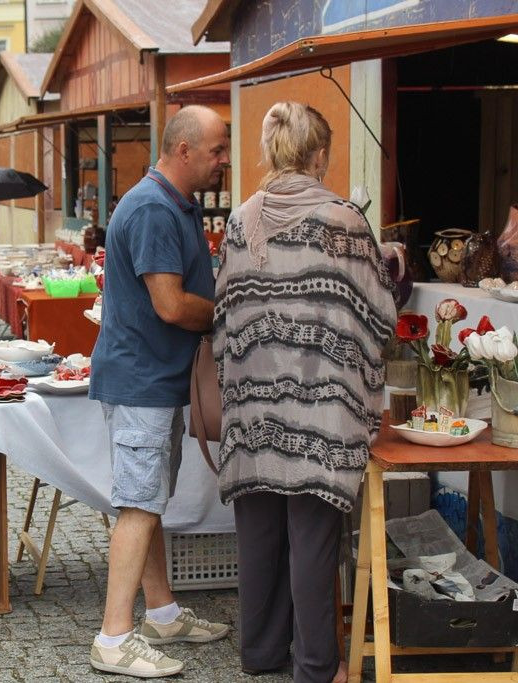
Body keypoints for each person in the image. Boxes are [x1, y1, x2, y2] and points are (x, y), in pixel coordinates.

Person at [212, 102, 395, 683]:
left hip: (253, 404)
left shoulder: (241, 220)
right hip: (322, 406)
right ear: (319, 156)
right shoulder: (344, 219)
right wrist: (395, 266)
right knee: (313, 540)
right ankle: (317, 666)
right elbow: (378, 309)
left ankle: (262, 654)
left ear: (271, 152)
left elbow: (226, 309)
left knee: (260, 531)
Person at [87, 106, 231, 678]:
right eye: (218, 151)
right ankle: (114, 638)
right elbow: (171, 304)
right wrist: (229, 312)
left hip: (151, 378)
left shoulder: (173, 202)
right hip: (141, 380)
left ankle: (163, 613)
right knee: (139, 504)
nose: (224, 161)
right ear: (184, 149)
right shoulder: (151, 207)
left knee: (145, 504)